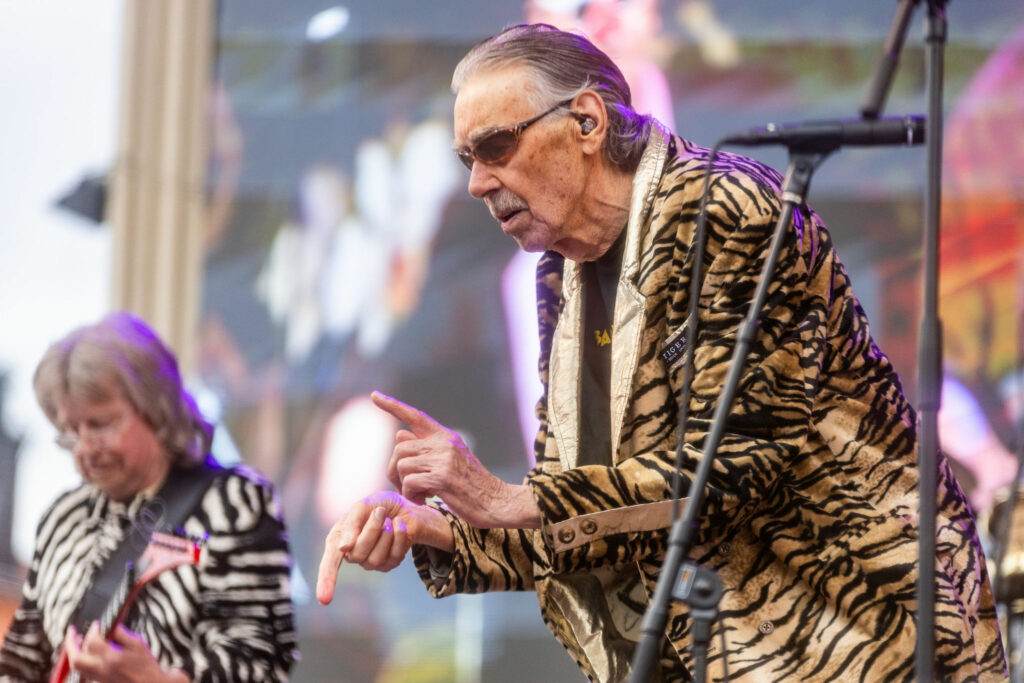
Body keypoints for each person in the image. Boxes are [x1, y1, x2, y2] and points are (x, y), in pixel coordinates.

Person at [316, 23, 1006, 681]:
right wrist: (441, 531)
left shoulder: (728, 211)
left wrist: (504, 498)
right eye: (467, 159)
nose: (477, 182)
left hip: (856, 637)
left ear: (587, 122)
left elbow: (729, 469)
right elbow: (593, 519)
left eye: (496, 146)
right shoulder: (560, 273)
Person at [0, 312, 297, 681]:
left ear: (157, 408)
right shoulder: (64, 515)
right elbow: (21, 659)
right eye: (71, 432)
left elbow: (261, 664)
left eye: (100, 425)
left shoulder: (237, 504)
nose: (85, 449)